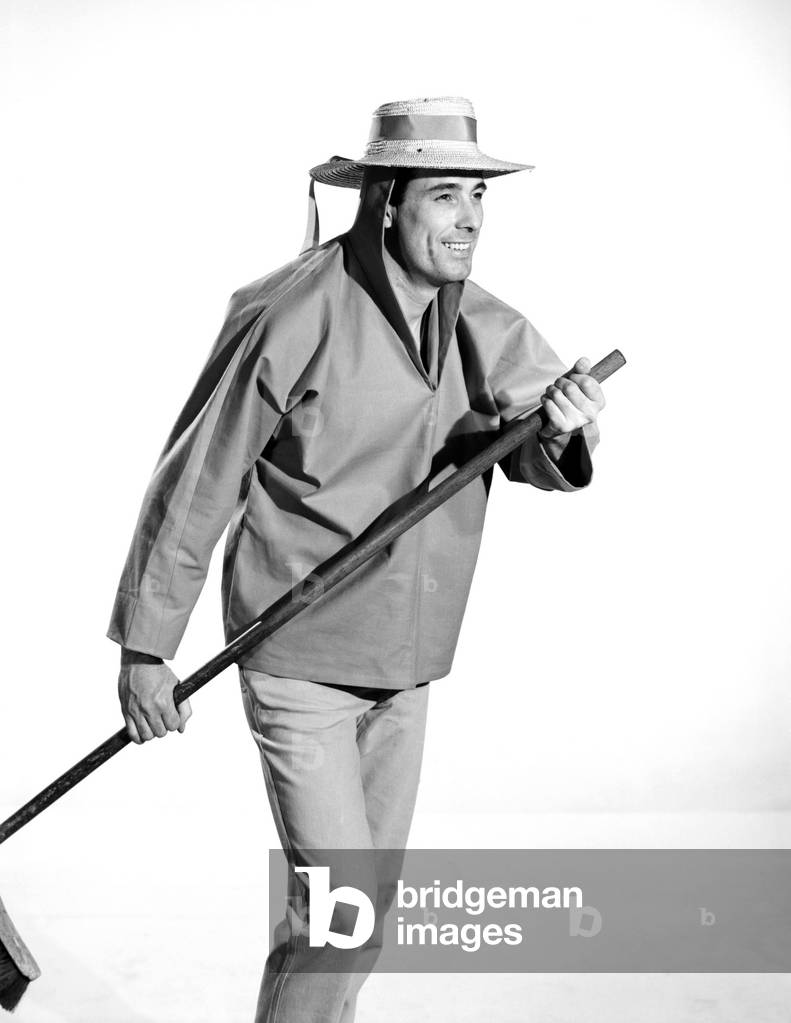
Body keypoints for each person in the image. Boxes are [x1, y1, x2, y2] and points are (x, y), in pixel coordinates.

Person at [108, 96, 606, 1022]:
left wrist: (563, 430)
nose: (469, 219)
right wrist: (146, 646)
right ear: (385, 201)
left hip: (407, 663)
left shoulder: (485, 323)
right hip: (299, 658)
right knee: (344, 919)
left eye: (479, 197)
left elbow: (537, 444)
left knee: (354, 923)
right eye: (445, 195)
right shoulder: (292, 310)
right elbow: (199, 476)